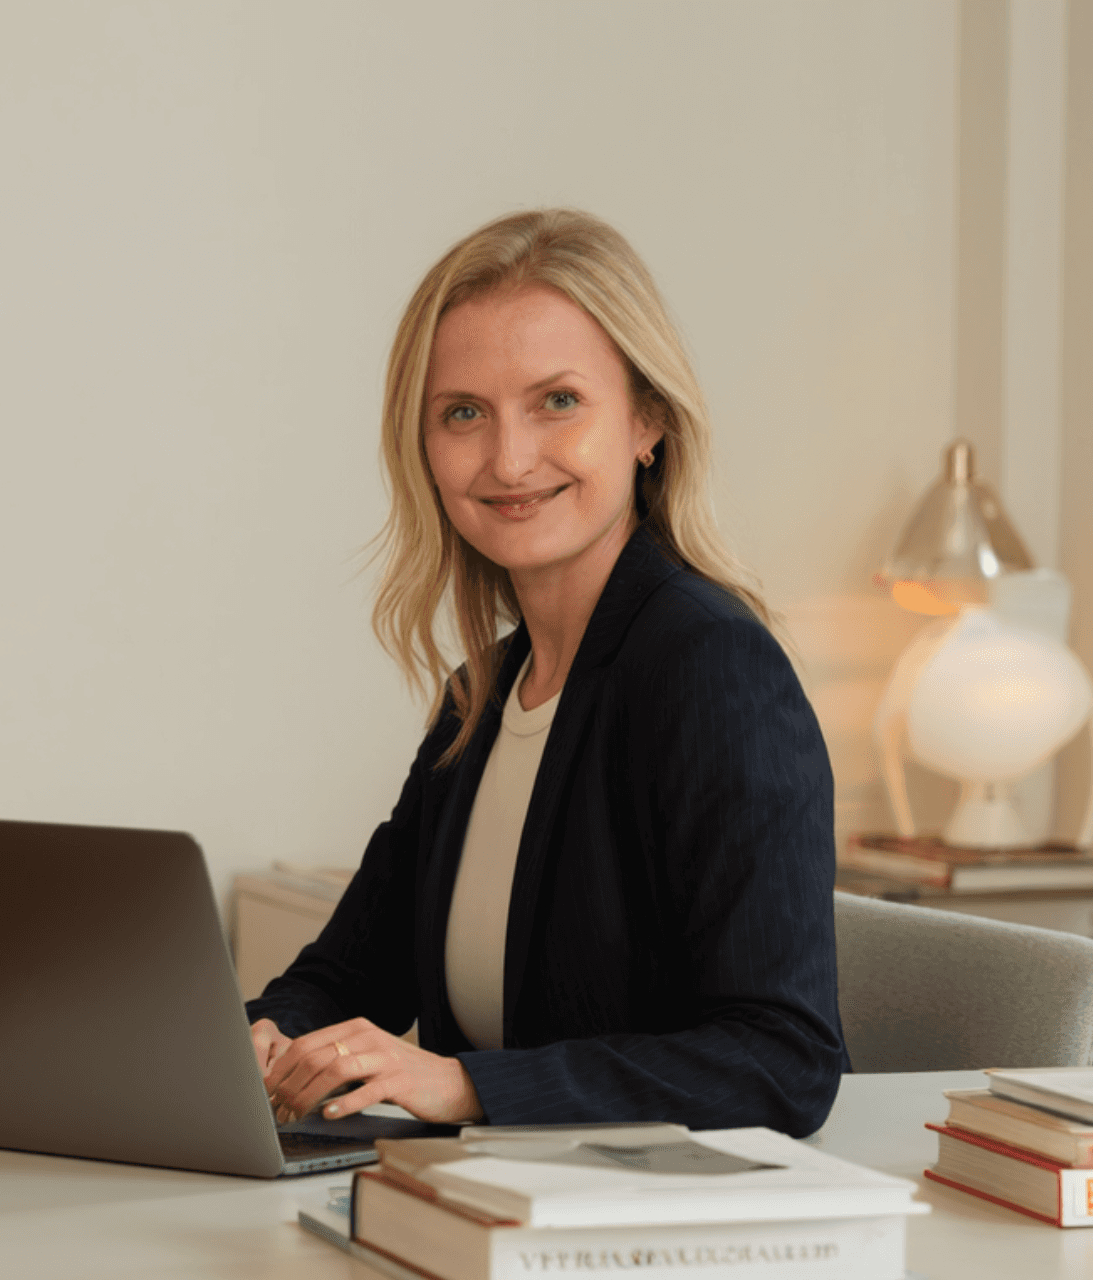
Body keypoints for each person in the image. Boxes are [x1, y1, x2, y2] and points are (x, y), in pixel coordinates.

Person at [246, 209, 844, 1134]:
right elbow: (352, 969)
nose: (509, 458)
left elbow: (781, 1061)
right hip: (481, 1213)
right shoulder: (480, 696)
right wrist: (271, 1037)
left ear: (647, 419)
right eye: (463, 414)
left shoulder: (712, 669)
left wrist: (467, 1087)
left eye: (557, 401)